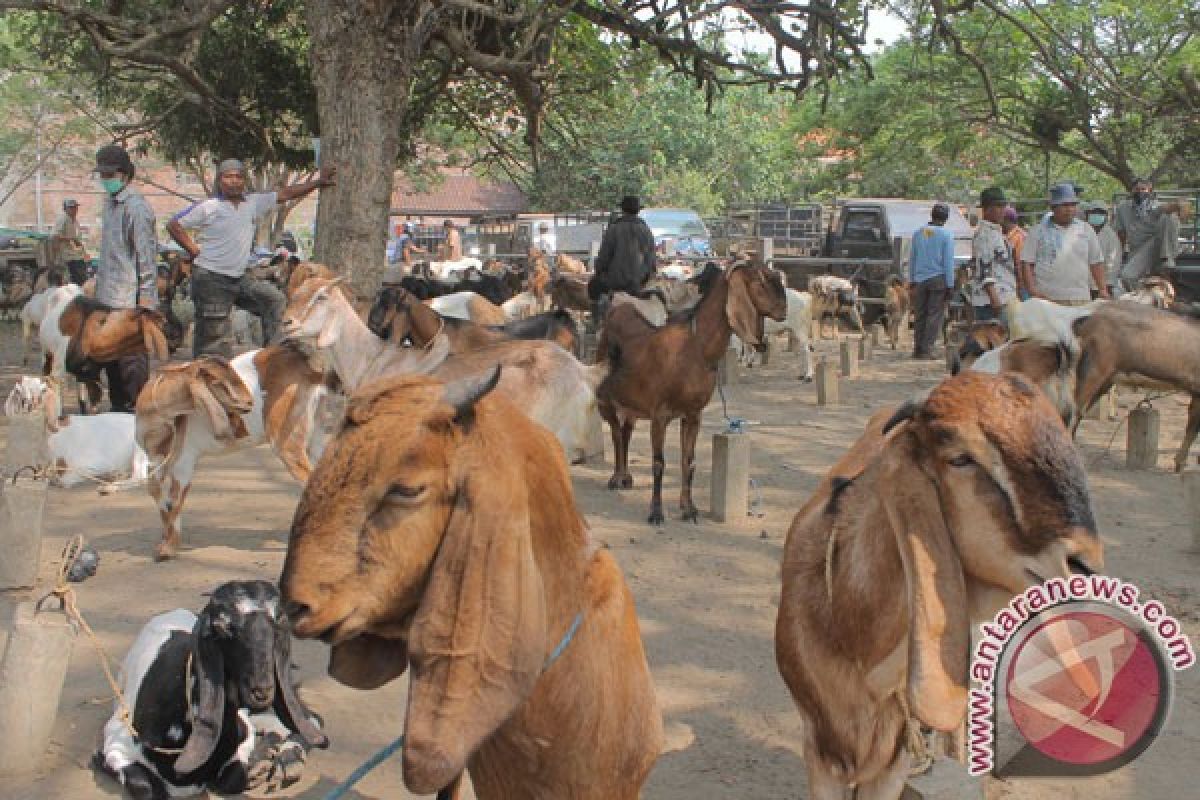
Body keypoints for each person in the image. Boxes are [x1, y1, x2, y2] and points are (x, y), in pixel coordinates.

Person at [166, 158, 335, 357]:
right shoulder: (208, 207)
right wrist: (193, 250)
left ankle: (274, 356)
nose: (234, 181)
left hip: (238, 278)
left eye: (238, 177)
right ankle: (209, 374)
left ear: (244, 180)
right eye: (228, 177)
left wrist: (316, 182)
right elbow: (174, 225)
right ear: (220, 180)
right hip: (211, 279)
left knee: (274, 300)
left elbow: (286, 193)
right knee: (214, 336)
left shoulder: (252, 203)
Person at [92, 144, 158, 412]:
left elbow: (146, 256)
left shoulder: (136, 208)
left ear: (125, 174)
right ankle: (118, 412)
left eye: (111, 174)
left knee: (132, 365)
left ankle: (137, 414)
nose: (106, 180)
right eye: (103, 175)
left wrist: (146, 301)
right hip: (107, 298)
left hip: (129, 301)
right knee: (111, 362)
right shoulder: (110, 204)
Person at [1021, 183, 1107, 306]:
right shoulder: (1037, 231)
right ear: (1053, 207)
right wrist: (1032, 290)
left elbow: (1096, 261)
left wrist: (1102, 289)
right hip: (1046, 298)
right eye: (1065, 205)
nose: (1069, 209)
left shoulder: (1086, 229)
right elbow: (1027, 263)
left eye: (1073, 205)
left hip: (1079, 297)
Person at [589, 195, 657, 322]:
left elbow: (604, 257)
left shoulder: (614, 229)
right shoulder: (646, 230)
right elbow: (652, 260)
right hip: (639, 282)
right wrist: (645, 277)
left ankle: (596, 323)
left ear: (623, 210)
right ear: (638, 211)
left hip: (615, 281)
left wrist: (599, 271)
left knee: (593, 286)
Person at [907, 202, 956, 360]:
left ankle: (917, 349)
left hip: (920, 279)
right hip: (938, 279)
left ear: (932, 215)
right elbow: (948, 262)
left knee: (920, 314)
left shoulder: (918, 233)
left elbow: (912, 258)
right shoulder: (946, 235)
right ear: (946, 218)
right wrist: (950, 284)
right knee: (934, 315)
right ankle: (927, 349)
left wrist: (912, 279)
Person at [1114, 177, 1180, 288]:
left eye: (1143, 189)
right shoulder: (1123, 208)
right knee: (1126, 277)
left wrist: (1180, 205)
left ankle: (1167, 260)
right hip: (1136, 250)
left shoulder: (1157, 206)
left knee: (1170, 217)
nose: (1139, 192)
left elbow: (1169, 208)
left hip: (1155, 247)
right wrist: (1119, 257)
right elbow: (1121, 234)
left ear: (1150, 191)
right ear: (1131, 190)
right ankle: (1143, 298)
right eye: (1136, 189)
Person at [968, 188, 1019, 324]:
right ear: (987, 209)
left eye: (1004, 206)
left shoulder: (996, 232)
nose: (1003, 210)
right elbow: (985, 268)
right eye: (998, 206)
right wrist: (994, 298)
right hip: (992, 301)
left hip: (1004, 296)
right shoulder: (985, 234)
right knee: (996, 343)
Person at [1082, 201, 1122, 298]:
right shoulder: (1080, 231)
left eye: (1100, 213)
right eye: (1094, 212)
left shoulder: (1111, 236)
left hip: (1101, 285)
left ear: (1106, 216)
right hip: (1081, 284)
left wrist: (1107, 285)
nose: (1097, 215)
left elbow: (1113, 262)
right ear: (1087, 214)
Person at [50, 198, 89, 285]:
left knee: (82, 279)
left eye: (75, 207)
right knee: (77, 280)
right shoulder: (63, 218)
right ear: (66, 209)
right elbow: (54, 236)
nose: (74, 210)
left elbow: (76, 238)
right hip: (69, 257)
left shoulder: (74, 220)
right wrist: (70, 239)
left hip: (77, 255)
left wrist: (83, 251)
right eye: (71, 208)